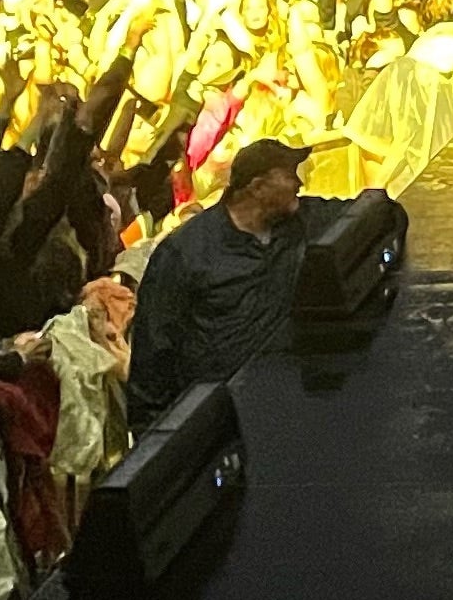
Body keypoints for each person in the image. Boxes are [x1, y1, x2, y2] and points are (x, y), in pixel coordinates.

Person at [127, 140, 315, 415]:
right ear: (258, 188)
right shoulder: (184, 253)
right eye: (288, 175)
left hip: (286, 398)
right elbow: (154, 349)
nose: (298, 183)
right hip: (222, 413)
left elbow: (365, 215)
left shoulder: (299, 221)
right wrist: (155, 431)